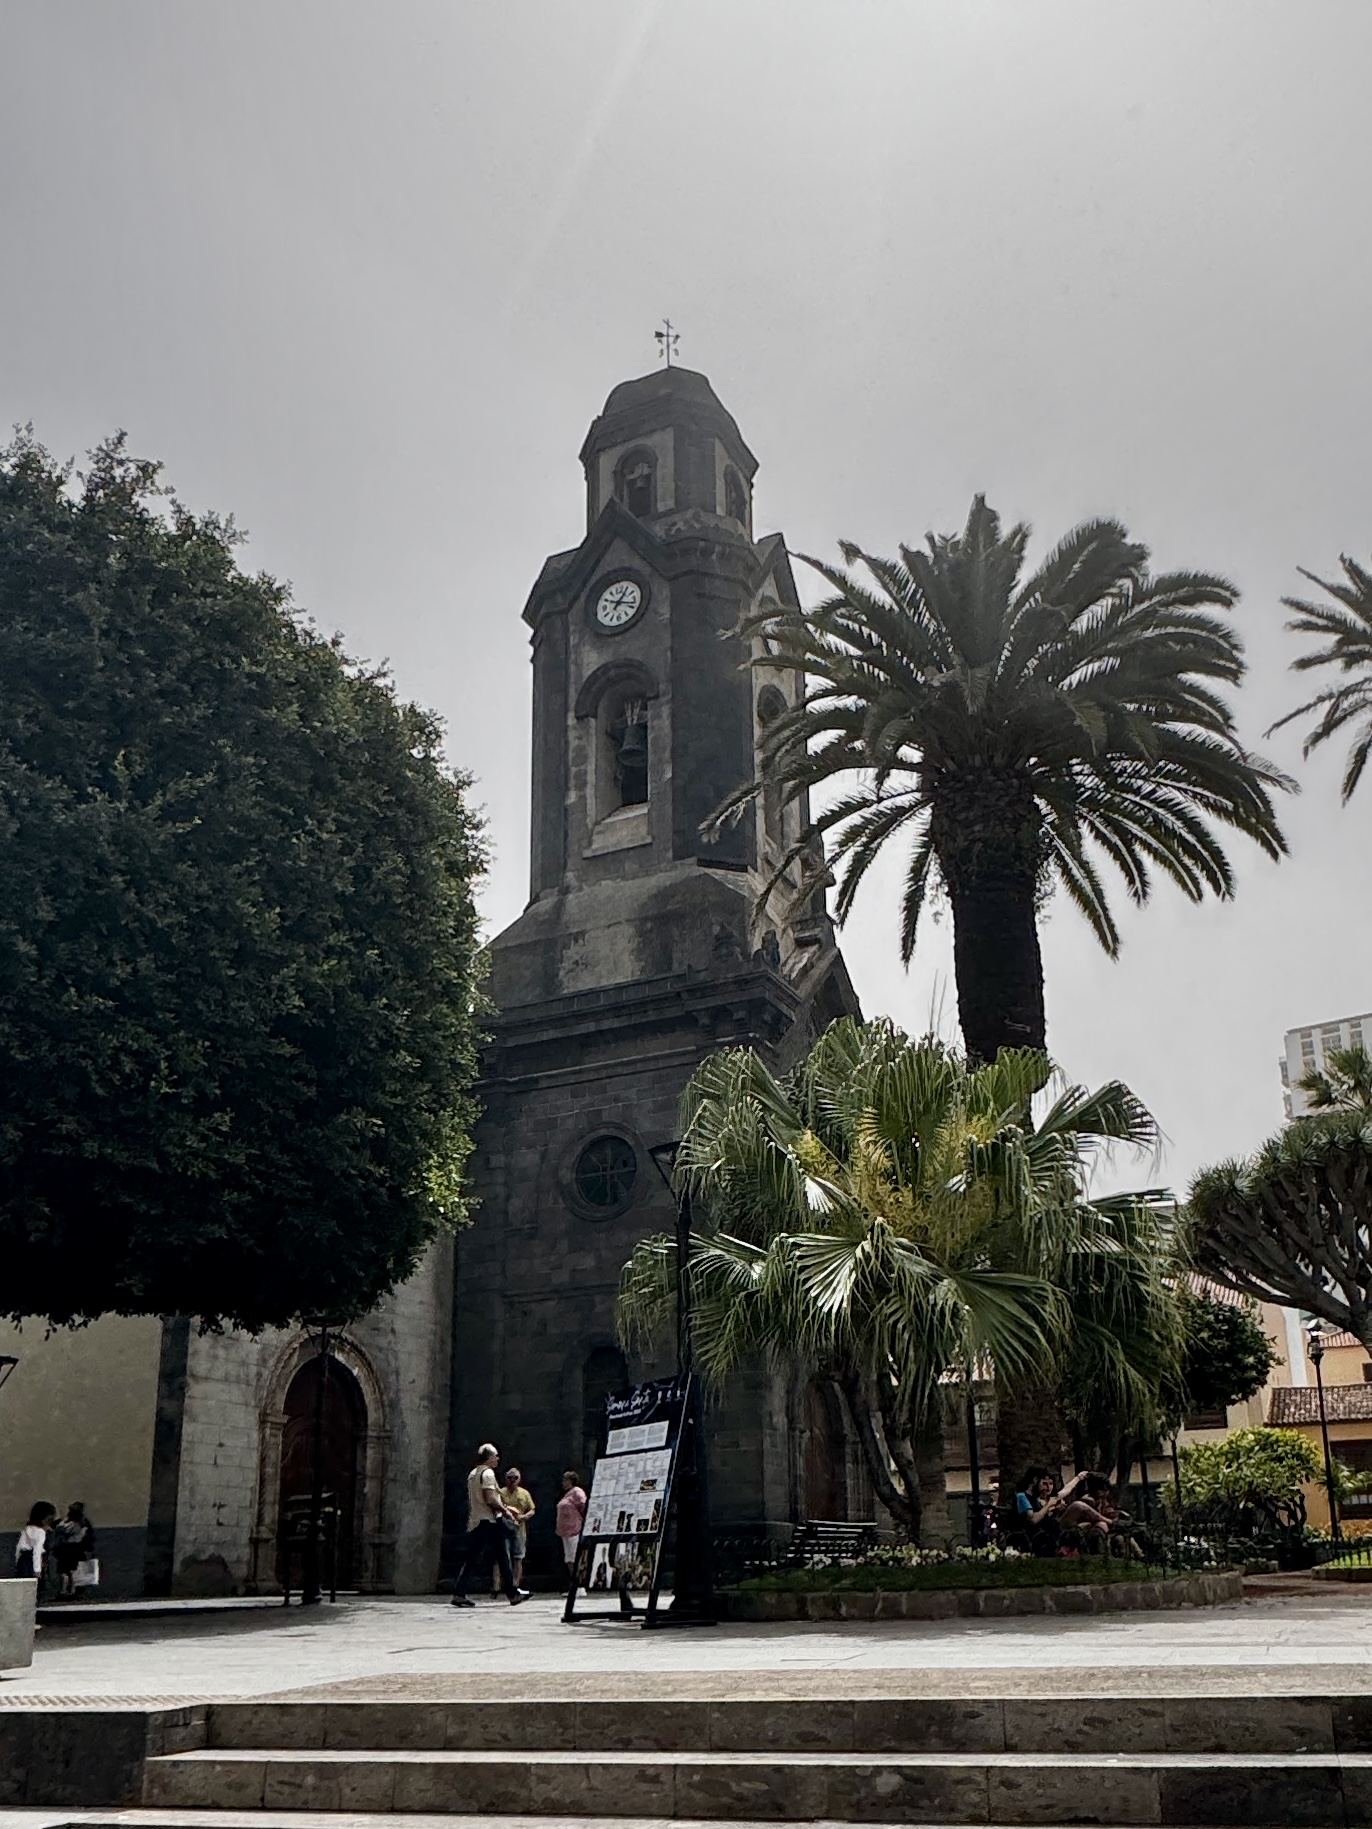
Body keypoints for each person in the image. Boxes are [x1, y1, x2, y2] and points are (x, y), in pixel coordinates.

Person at [450, 1443, 528, 1608]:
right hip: (489, 1521)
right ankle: (511, 1593)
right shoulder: (488, 1474)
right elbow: (490, 1498)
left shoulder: (473, 1473)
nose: (498, 1459)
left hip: (477, 1520)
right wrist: (506, 1511)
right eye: (495, 1456)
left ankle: (512, 1593)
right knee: (498, 1556)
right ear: (489, 1457)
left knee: (496, 1557)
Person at [492, 1467, 535, 1594]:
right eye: (510, 1478)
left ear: (519, 1479)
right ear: (505, 1479)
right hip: (503, 1527)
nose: (512, 1480)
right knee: (500, 1557)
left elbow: (532, 1509)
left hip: (518, 1528)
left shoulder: (524, 1493)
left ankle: (515, 1585)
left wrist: (524, 1516)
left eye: (515, 1478)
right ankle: (496, 1586)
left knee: (518, 1557)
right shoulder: (500, 1492)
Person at [54, 1502, 97, 1597]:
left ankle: (65, 1590)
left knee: (64, 1571)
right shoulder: (84, 1523)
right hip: (77, 1549)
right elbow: (88, 1537)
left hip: (66, 1549)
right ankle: (73, 1590)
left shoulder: (69, 1523)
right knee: (73, 1571)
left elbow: (60, 1529)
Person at [555, 1469, 587, 1589]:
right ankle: (574, 1583)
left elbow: (583, 1506)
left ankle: (580, 1585)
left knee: (575, 1557)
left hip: (574, 1530)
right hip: (565, 1532)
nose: (563, 1482)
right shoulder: (567, 1494)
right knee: (568, 1558)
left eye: (565, 1480)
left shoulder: (577, 1492)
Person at [14, 1501, 55, 1583]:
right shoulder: (40, 1532)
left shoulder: (28, 1528)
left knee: (24, 1582)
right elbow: (37, 1551)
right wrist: (37, 1570)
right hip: (34, 1560)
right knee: (35, 1585)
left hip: (23, 1559)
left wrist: (17, 1559)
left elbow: (19, 1546)